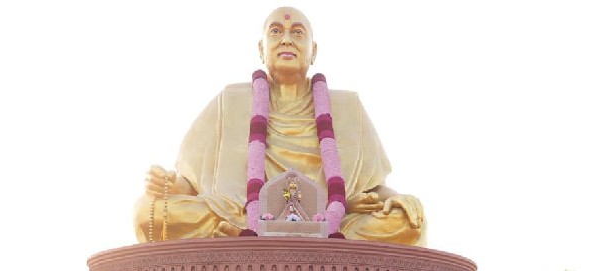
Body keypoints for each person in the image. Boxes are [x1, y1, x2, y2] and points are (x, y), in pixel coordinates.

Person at [134, 7, 424, 246]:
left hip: (331, 222)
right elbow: (192, 185)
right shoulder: (230, 101)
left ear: (314, 51)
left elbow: (374, 189)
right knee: (148, 212)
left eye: (298, 33)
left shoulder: (347, 107)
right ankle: (250, 237)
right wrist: (171, 185)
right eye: (276, 32)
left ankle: (247, 244)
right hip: (236, 216)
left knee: (409, 224)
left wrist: (398, 199)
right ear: (262, 49)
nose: (287, 40)